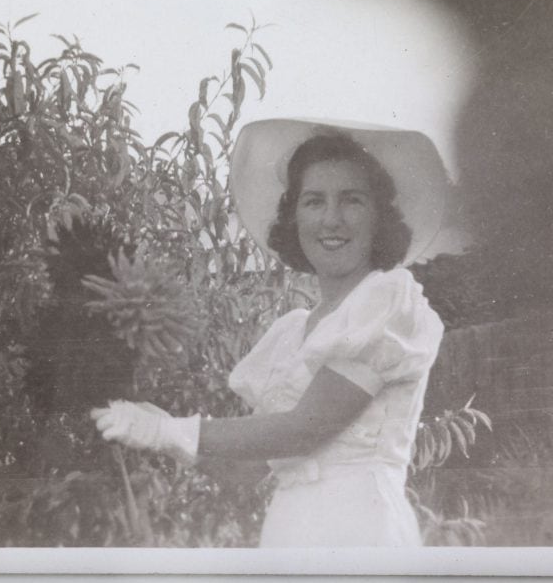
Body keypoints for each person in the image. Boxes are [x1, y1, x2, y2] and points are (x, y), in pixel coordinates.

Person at [91, 117, 447, 547]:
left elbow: (303, 428)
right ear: (293, 217)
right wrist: (162, 429)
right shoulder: (293, 331)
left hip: (360, 529)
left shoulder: (387, 303)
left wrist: (176, 429)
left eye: (351, 200)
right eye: (313, 202)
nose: (331, 219)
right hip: (290, 531)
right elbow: (247, 469)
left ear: (379, 216)